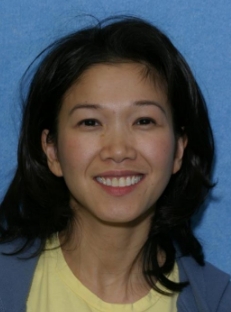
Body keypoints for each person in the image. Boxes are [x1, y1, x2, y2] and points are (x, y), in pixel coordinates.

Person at [0, 16, 230, 312]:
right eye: (90, 122)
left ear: (178, 150)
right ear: (52, 151)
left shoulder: (218, 300)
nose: (118, 150)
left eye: (144, 121)